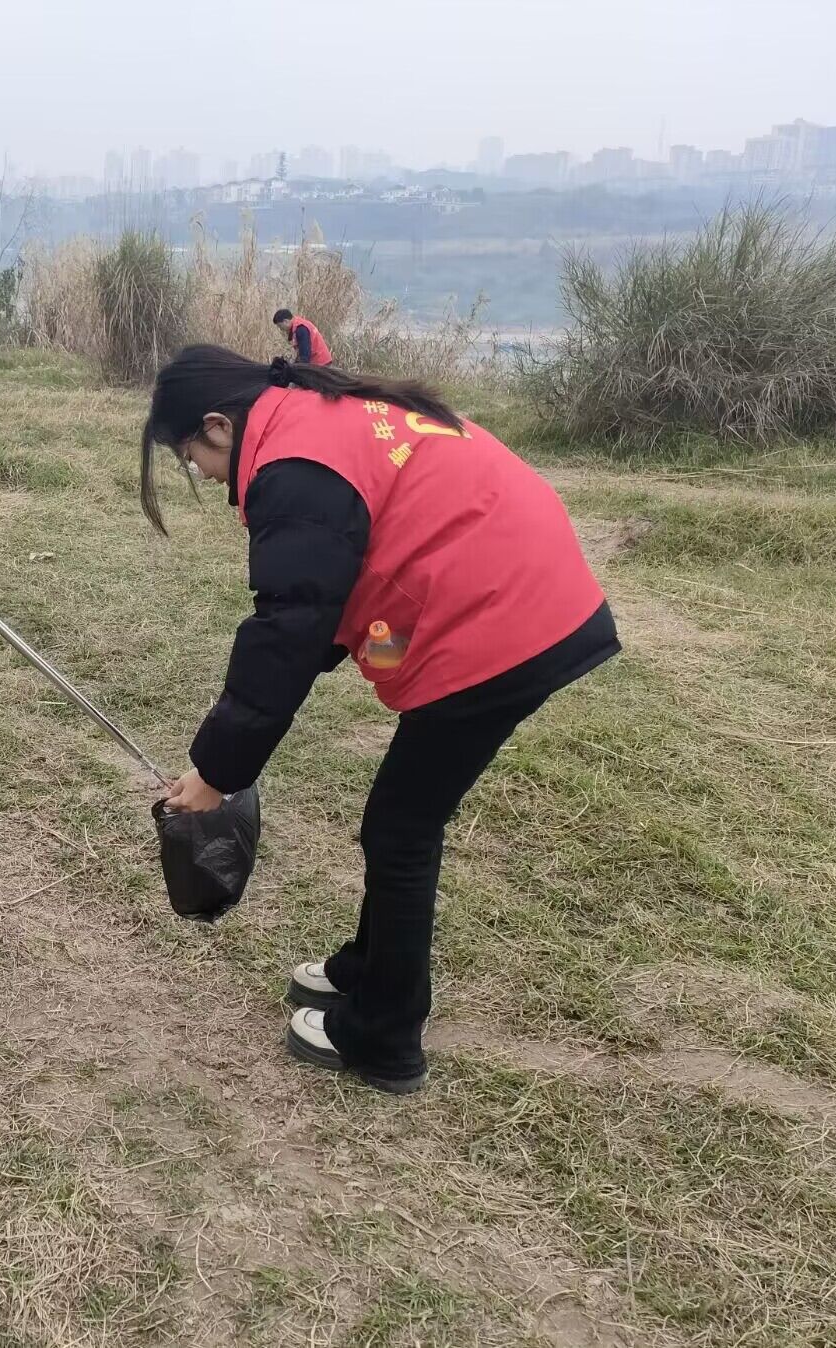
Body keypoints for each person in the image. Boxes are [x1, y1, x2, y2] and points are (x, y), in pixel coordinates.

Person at [139, 346, 618, 1094]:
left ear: (217, 426)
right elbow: (327, 602)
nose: (200, 474)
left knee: (400, 831)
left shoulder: (291, 468)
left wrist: (215, 773)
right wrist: (227, 752)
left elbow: (287, 631)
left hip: (505, 619)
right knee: (397, 821)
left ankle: (384, 1038)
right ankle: (365, 970)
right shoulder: (312, 418)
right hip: (519, 587)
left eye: (190, 459)